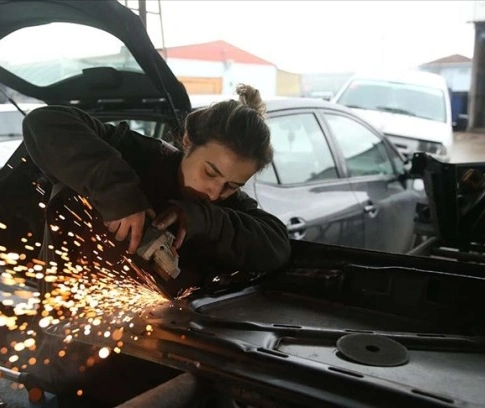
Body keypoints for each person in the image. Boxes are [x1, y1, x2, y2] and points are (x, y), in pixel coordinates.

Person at [22, 84, 290, 405]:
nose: (215, 192)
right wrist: (118, 192)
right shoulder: (138, 155)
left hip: (153, 366)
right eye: (210, 172)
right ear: (189, 141)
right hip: (69, 348)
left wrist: (204, 217)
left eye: (232, 185)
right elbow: (45, 122)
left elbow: (276, 244)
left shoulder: (226, 207)